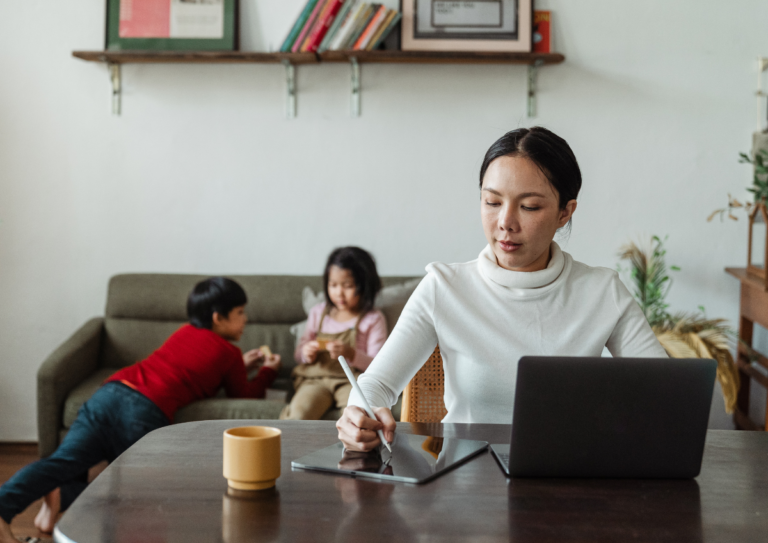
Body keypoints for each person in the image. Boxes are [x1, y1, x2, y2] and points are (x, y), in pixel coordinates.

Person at [336, 126, 668, 451]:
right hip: (466, 486)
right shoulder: (444, 287)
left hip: (568, 481)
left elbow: (665, 390)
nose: (506, 222)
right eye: (492, 202)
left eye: (530, 207)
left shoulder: (601, 291)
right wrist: (359, 414)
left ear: (565, 212)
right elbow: (376, 384)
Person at [0, 277, 281, 542]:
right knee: (137, 496)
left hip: (110, 393)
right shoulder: (229, 353)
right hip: (143, 412)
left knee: (61, 462)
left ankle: (17, 504)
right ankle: (68, 500)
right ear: (219, 317)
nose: (246, 320)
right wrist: (267, 371)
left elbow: (192, 367)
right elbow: (243, 393)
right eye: (241, 312)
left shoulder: (185, 332)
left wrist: (240, 366)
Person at [281, 247, 388, 420]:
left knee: (357, 418)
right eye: (333, 285)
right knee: (298, 415)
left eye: (348, 286)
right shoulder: (318, 312)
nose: (339, 293)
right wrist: (306, 353)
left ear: (365, 286)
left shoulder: (373, 319)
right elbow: (299, 354)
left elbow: (378, 366)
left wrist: (351, 353)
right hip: (316, 379)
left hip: (351, 381)